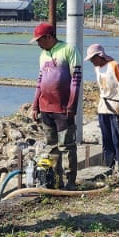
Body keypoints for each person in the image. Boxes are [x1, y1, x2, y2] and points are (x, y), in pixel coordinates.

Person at [29, 21, 82, 189]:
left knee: (66, 146)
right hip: (46, 108)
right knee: (52, 146)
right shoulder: (43, 55)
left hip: (63, 107)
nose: (38, 44)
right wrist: (35, 105)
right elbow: (40, 81)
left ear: (49, 37)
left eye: (39, 40)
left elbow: (76, 79)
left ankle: (70, 181)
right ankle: (56, 180)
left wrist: (72, 105)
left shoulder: (68, 50)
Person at [87, 43, 119, 176]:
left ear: (100, 56)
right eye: (91, 60)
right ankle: (109, 168)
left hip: (115, 107)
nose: (92, 61)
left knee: (117, 140)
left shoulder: (115, 66)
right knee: (106, 141)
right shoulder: (97, 69)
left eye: (93, 58)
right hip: (103, 108)